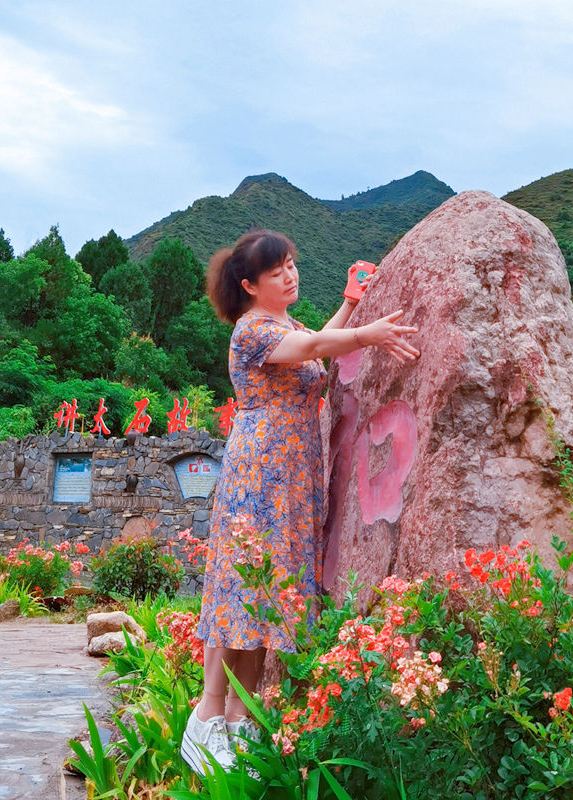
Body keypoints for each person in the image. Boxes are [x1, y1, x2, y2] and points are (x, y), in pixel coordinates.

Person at [182, 229, 419, 775]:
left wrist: (349, 307)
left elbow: (314, 345)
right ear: (249, 285)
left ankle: (239, 722)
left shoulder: (284, 325)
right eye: (276, 272)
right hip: (260, 471)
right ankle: (207, 719)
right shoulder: (251, 331)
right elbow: (315, 350)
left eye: (290, 265)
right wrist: (369, 332)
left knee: (271, 591)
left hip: (293, 473)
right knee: (244, 586)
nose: (289, 275)